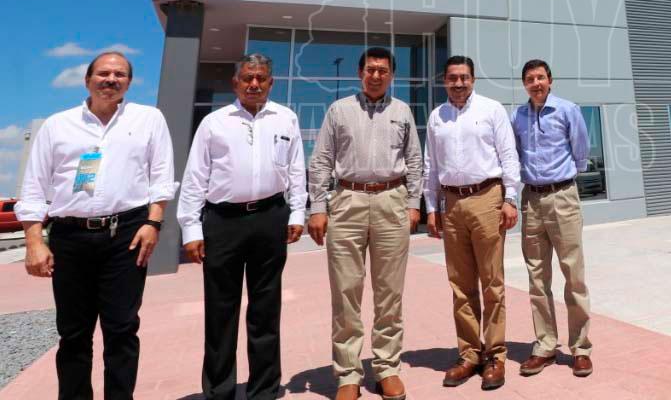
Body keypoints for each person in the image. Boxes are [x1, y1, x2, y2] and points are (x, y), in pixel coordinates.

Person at [16, 52, 176, 400]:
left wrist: (153, 222)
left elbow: (162, 177)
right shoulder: (58, 125)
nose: (111, 79)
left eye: (120, 74)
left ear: (129, 82)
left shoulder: (148, 119)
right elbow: (34, 187)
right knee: (73, 334)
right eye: (103, 73)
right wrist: (34, 242)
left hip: (127, 235)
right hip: (70, 237)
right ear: (87, 79)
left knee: (122, 329)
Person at [177, 53, 307, 400]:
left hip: (270, 218)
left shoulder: (286, 118)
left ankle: (264, 390)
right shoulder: (214, 123)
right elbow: (195, 177)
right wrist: (191, 229)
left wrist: (297, 213)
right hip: (223, 223)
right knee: (221, 310)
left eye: (261, 78)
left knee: (266, 308)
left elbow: (296, 170)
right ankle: (219, 390)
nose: (254, 84)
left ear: (270, 83)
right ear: (235, 83)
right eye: (248, 78)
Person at [307, 47, 423, 400]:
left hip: (391, 201)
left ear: (391, 76)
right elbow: (321, 160)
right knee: (345, 292)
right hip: (348, 201)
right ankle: (348, 374)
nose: (376, 75)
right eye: (370, 69)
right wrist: (317, 206)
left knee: (390, 292)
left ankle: (387, 367)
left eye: (383, 70)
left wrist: (413, 203)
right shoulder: (339, 110)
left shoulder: (402, 111)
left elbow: (414, 160)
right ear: (360, 73)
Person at [424, 55, 521, 391]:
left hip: (487, 198)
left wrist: (510, 198)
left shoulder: (491, 110)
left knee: (492, 282)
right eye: (452, 78)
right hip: (451, 204)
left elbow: (508, 155)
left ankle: (495, 355)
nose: (458, 83)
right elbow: (431, 165)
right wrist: (431, 207)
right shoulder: (436, 116)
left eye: (464, 77)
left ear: (473, 79)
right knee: (460, 285)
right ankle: (469, 354)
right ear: (444, 80)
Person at [510, 59, 594, 378]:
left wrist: (565, 181)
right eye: (530, 79)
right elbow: (514, 154)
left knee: (574, 274)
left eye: (541, 77)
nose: (536, 83)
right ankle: (545, 346)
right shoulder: (517, 116)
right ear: (524, 84)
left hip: (562, 196)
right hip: (531, 199)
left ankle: (581, 348)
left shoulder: (568, 110)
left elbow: (581, 150)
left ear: (550, 80)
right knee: (537, 276)